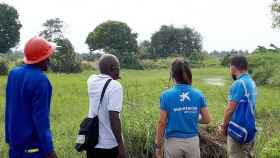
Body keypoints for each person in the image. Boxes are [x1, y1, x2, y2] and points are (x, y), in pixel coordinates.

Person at [5, 37, 58, 158]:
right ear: (43, 59)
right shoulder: (41, 80)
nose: (49, 59)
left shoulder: (14, 74)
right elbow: (42, 121)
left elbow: (10, 109)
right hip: (33, 151)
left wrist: (9, 140)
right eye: (48, 56)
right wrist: (50, 151)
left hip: (15, 148)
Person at [155, 58, 211, 158]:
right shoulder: (199, 94)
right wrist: (194, 117)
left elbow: (162, 122)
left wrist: (158, 146)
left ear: (173, 75)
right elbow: (207, 119)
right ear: (189, 74)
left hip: (173, 143)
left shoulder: (166, 95)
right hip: (192, 143)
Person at [86, 54, 126, 158]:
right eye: (118, 67)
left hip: (92, 142)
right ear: (113, 68)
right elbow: (113, 117)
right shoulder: (115, 86)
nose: (119, 70)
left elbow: (102, 79)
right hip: (109, 146)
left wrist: (113, 77)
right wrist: (121, 146)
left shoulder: (91, 80)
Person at [219, 55, 257, 158]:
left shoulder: (239, 83)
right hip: (250, 129)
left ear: (233, 68)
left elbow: (230, 110)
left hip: (238, 131)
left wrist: (224, 127)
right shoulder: (251, 82)